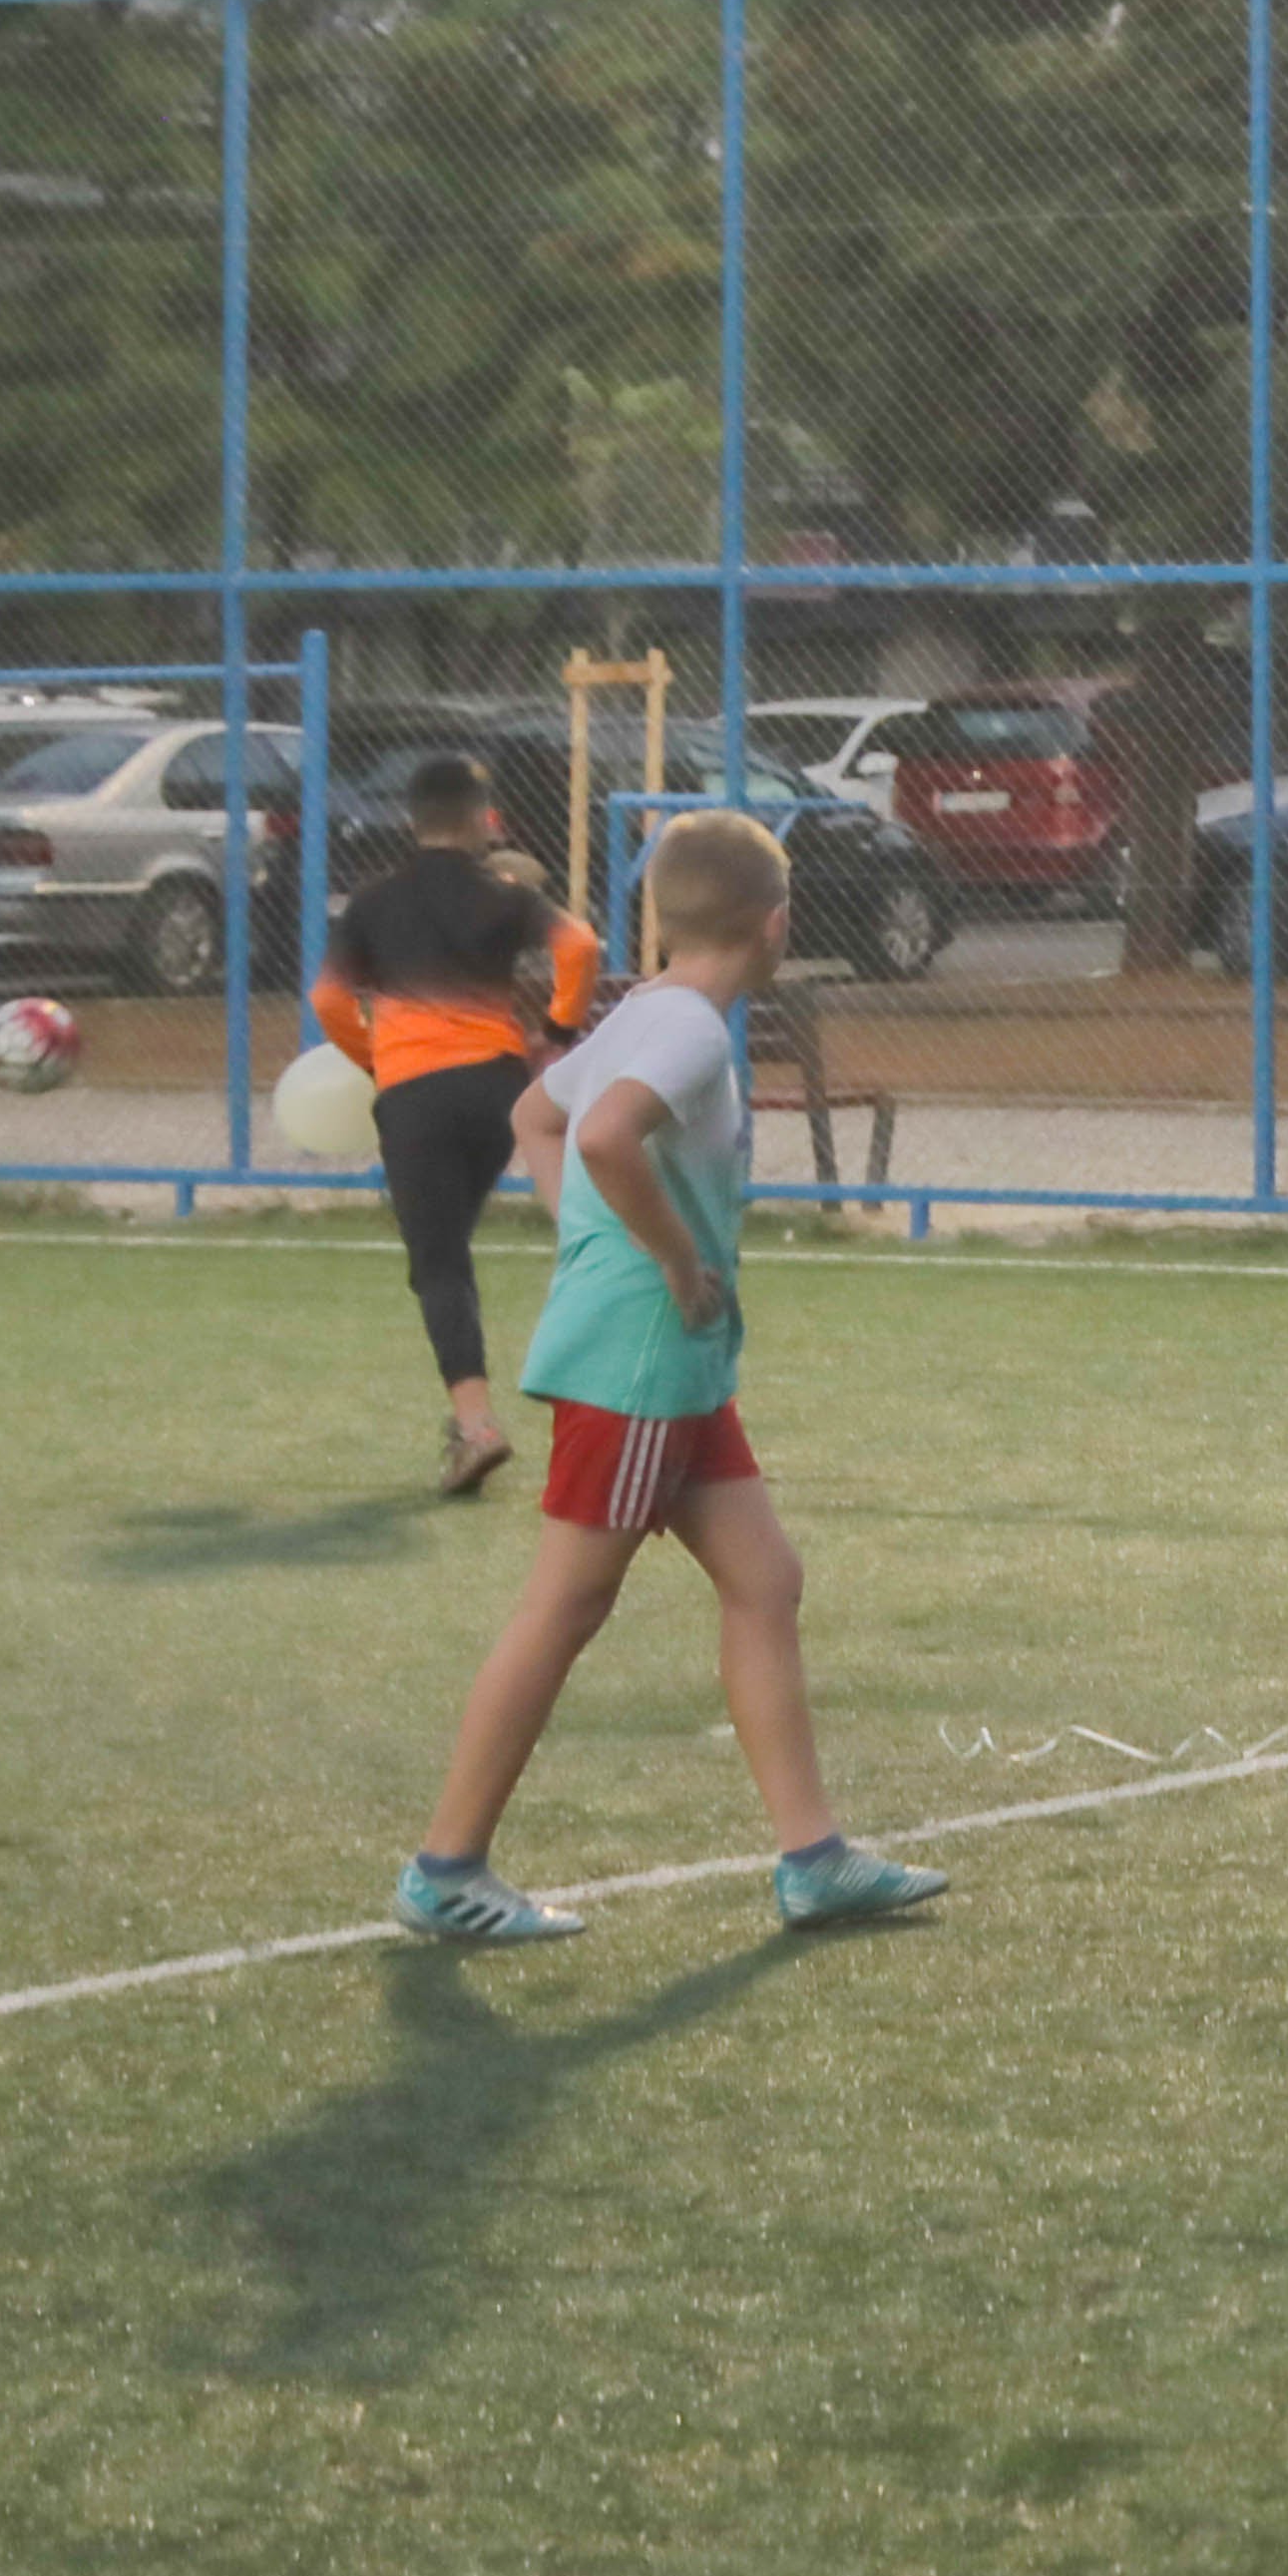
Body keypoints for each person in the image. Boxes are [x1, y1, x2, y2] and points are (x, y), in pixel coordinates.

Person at [390, 809, 948, 1946]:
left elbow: (534, 1114)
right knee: (567, 1604)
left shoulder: (647, 1008)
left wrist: (591, 1241)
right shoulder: (689, 1029)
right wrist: (670, 1257)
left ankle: (813, 1858)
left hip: (673, 1361)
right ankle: (445, 1867)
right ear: (777, 924)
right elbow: (599, 1139)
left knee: (765, 1580)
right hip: (643, 1359)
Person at [315, 748, 606, 1497]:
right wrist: (560, 1032)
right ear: (483, 819)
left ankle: (475, 1428)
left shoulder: (372, 904)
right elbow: (579, 946)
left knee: (437, 1261)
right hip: (496, 1090)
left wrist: (378, 1060)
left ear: (411, 820)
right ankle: (567, 1394)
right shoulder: (504, 892)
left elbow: (327, 1001)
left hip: (416, 1093)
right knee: (453, 1248)